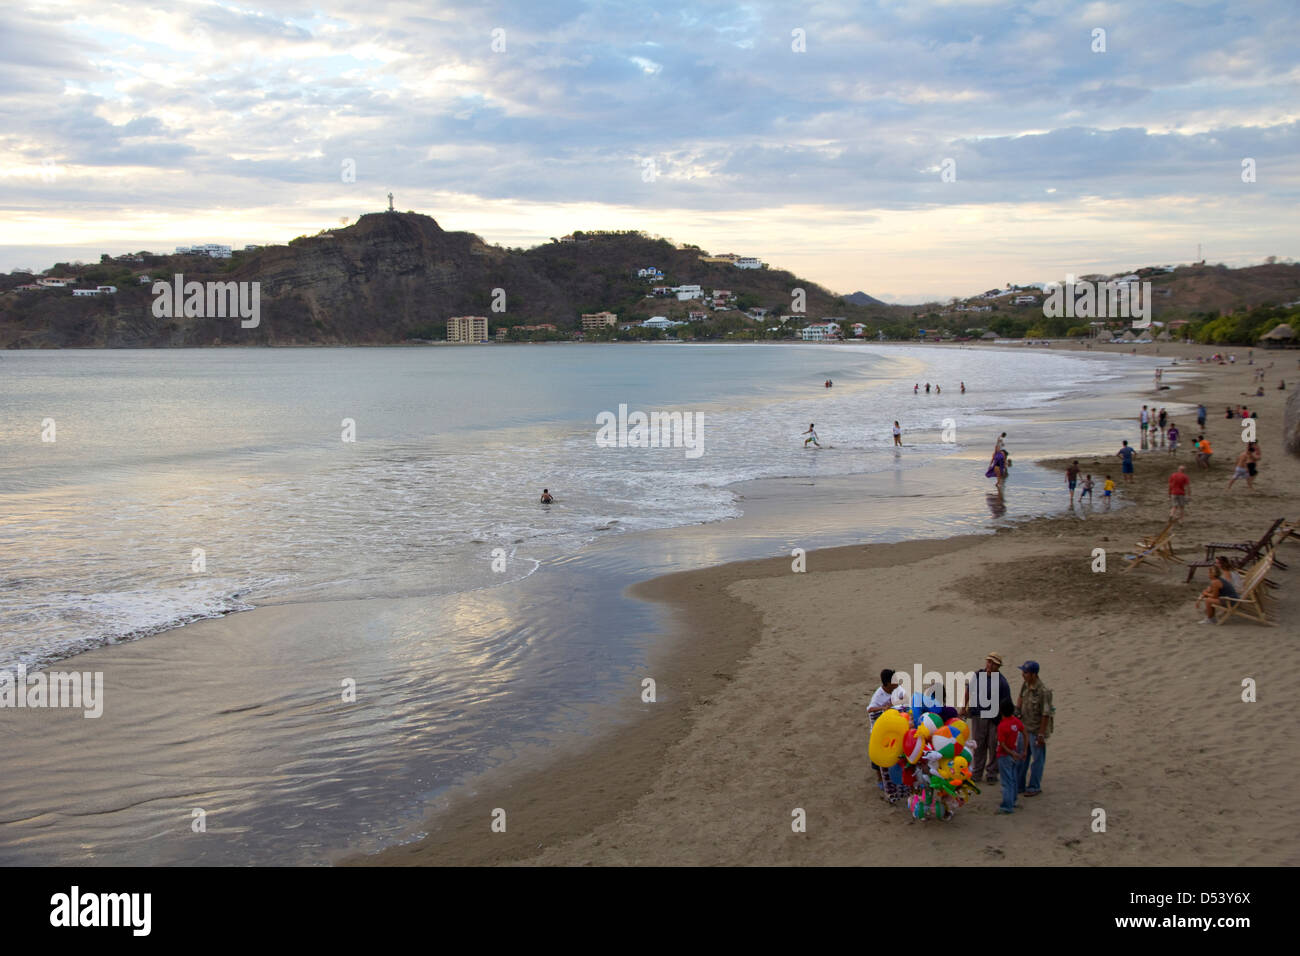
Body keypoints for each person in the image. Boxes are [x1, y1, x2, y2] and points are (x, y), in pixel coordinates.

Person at [962, 653, 1012, 785]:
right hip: (978, 716)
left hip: (994, 719)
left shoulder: (1002, 682)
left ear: (998, 666)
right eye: (989, 662)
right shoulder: (978, 676)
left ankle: (991, 773)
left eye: (994, 663)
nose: (990, 665)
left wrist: (1004, 720)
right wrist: (963, 707)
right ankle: (977, 772)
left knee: (993, 745)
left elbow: (1006, 702)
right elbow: (968, 691)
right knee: (979, 745)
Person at [1015, 661, 1052, 797]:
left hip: (1036, 731)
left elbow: (1046, 713)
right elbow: (1020, 697)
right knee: (1021, 757)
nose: (1023, 675)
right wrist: (1017, 710)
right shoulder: (1025, 684)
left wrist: (1041, 734)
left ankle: (1034, 786)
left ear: (1034, 674)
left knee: (1037, 760)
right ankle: (1019, 785)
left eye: (1025, 672)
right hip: (1024, 728)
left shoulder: (1044, 691)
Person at [867, 669, 900, 800]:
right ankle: (880, 778)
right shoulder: (878, 696)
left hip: (891, 727)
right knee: (878, 757)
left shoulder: (896, 689)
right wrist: (883, 708)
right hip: (878, 731)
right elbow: (869, 710)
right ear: (887, 683)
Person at [996, 699, 1027, 814]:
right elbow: (1024, 733)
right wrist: (1023, 750)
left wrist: (1011, 752)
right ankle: (1013, 801)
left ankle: (1007, 805)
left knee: (1006, 781)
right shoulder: (1016, 721)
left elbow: (1002, 744)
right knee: (1013, 778)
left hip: (1005, 755)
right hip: (1014, 753)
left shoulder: (1002, 726)